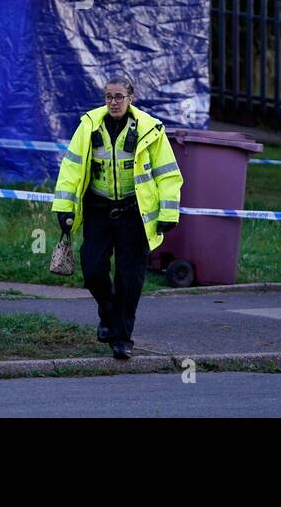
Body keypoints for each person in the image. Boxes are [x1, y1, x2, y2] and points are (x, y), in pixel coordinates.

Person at [52, 78, 183, 359]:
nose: (113, 102)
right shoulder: (89, 126)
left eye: (119, 97)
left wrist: (168, 213)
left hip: (134, 213)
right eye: (109, 97)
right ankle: (108, 312)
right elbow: (71, 169)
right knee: (93, 270)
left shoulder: (150, 130)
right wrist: (64, 208)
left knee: (129, 279)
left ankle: (121, 338)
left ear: (131, 98)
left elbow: (168, 174)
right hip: (98, 209)